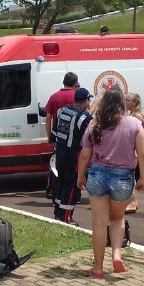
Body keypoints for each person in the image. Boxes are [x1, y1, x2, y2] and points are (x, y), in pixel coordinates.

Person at [77, 87, 144, 279]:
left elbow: (85, 155)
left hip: (97, 174)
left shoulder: (94, 125)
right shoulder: (134, 124)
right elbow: (143, 154)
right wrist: (142, 178)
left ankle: (98, 268)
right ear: (122, 105)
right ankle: (116, 254)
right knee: (117, 219)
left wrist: (80, 176)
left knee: (99, 224)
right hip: (123, 177)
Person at [52, 88, 94, 224]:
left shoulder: (62, 110)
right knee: (71, 185)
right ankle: (66, 218)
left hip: (60, 151)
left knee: (62, 181)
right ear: (87, 101)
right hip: (73, 154)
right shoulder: (84, 117)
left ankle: (58, 213)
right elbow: (92, 132)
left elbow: (54, 130)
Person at [43, 72, 78, 198]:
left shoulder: (54, 96)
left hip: (58, 136)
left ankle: (52, 189)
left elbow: (48, 118)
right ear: (75, 83)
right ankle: (72, 193)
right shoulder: (76, 96)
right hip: (74, 137)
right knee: (73, 167)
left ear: (63, 82)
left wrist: (49, 136)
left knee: (55, 164)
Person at [123, 92, 144, 213]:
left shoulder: (136, 116)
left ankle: (132, 203)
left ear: (134, 103)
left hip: (135, 150)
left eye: (127, 100)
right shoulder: (132, 115)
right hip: (132, 149)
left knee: (131, 176)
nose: (125, 102)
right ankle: (133, 202)